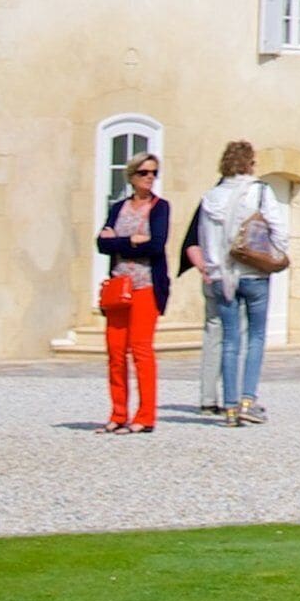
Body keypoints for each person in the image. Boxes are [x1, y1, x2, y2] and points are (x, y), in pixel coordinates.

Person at [189, 142, 279, 427]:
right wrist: (274, 257)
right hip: (253, 272)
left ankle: (229, 407)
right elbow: (279, 229)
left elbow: (203, 239)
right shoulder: (260, 191)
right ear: (249, 163)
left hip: (221, 275)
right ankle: (247, 401)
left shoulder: (210, 196)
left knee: (229, 341)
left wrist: (213, 268)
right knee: (255, 338)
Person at [96, 149, 181, 433]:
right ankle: (118, 413)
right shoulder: (117, 208)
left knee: (141, 350)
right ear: (132, 176)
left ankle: (145, 417)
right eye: (144, 173)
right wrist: (131, 240)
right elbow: (101, 244)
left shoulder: (160, 207)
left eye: (154, 172)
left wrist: (119, 241)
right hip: (119, 287)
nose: (150, 178)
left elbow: (156, 245)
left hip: (146, 286)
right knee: (115, 351)